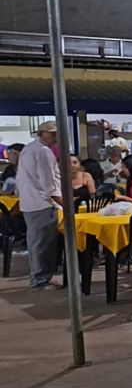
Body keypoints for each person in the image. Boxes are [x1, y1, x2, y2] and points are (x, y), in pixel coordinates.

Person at [15, 121, 62, 290]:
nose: (55, 137)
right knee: (43, 244)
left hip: (30, 202)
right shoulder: (43, 151)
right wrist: (63, 203)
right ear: (42, 133)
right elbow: (49, 184)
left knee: (36, 243)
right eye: (52, 133)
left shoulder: (28, 148)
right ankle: (40, 280)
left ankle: (41, 277)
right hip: (42, 203)